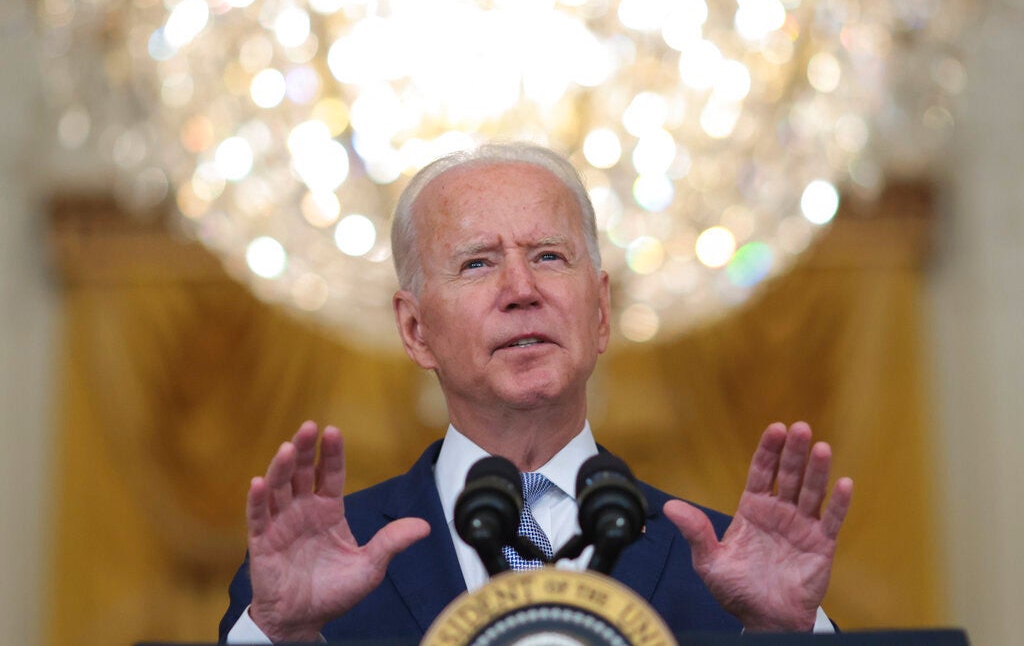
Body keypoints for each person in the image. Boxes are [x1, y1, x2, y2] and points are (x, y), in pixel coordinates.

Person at [220, 142, 853, 643]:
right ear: (416, 331)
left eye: (549, 256)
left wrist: (785, 635)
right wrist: (282, 635)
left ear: (600, 311)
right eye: (477, 263)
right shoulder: (314, 566)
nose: (521, 288)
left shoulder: (727, 569)